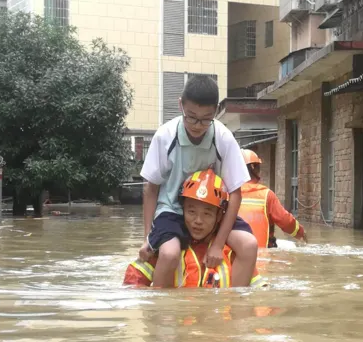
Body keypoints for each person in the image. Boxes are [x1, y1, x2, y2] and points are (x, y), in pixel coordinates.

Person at [138, 75, 258, 287]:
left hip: (212, 210)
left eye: (205, 119)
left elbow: (235, 193)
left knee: (249, 245)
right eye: (191, 117)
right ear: (180, 105)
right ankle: (159, 315)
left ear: (216, 112)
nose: (197, 125)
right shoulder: (164, 136)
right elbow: (151, 188)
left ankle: (236, 310)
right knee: (169, 254)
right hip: (172, 209)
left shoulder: (223, 138)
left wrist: (218, 244)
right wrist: (148, 237)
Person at [124, 169, 266, 288]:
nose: (198, 221)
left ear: (219, 217)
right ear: (182, 210)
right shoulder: (167, 245)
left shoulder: (232, 253)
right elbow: (133, 282)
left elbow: (256, 294)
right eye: (191, 212)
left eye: (207, 214)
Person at [239, 148, 307, 248]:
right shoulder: (266, 195)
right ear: (254, 168)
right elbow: (285, 221)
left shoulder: (226, 193)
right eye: (258, 168)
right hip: (263, 255)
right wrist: (301, 233)